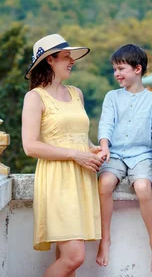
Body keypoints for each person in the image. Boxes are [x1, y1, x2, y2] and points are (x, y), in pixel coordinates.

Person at [21, 33, 104, 277]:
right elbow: (30, 146)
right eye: (66, 56)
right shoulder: (35, 97)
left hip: (81, 178)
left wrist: (93, 149)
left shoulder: (76, 93)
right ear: (50, 60)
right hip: (57, 180)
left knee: (66, 258)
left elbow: (79, 137)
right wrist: (74, 155)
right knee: (74, 257)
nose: (72, 61)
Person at [95, 44, 152, 273]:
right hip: (114, 153)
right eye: (114, 69)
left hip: (142, 155)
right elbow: (106, 124)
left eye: (121, 68)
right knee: (104, 183)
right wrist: (104, 146)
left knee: (144, 187)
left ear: (138, 69)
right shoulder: (112, 97)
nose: (116, 74)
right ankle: (105, 238)